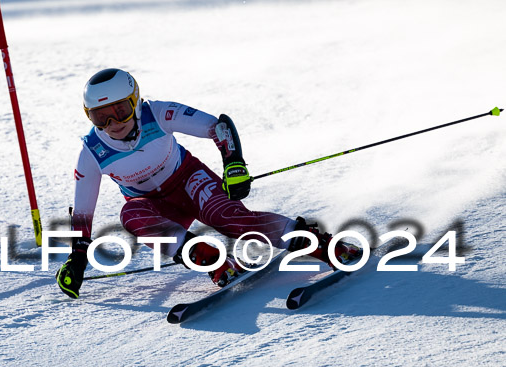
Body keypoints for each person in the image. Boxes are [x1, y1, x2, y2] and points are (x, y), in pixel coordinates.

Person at [56, 68, 359, 298]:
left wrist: (234, 165)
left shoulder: (158, 114)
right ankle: (211, 259)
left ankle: (320, 245)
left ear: (135, 102)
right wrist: (77, 258)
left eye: (120, 111)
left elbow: (218, 127)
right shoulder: (92, 151)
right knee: (130, 215)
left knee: (226, 218)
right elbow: (83, 213)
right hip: (154, 206)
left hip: (189, 180)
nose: (113, 125)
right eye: (101, 117)